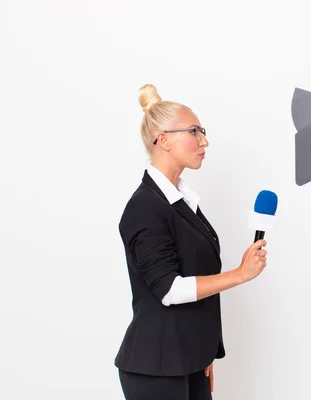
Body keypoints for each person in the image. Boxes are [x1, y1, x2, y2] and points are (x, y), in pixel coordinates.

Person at [114, 84, 268, 400]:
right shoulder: (146, 206)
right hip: (155, 367)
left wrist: (201, 351)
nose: (204, 141)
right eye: (194, 131)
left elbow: (194, 276)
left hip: (188, 360)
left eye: (203, 131)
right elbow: (169, 289)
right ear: (163, 139)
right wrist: (240, 274)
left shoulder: (182, 202)